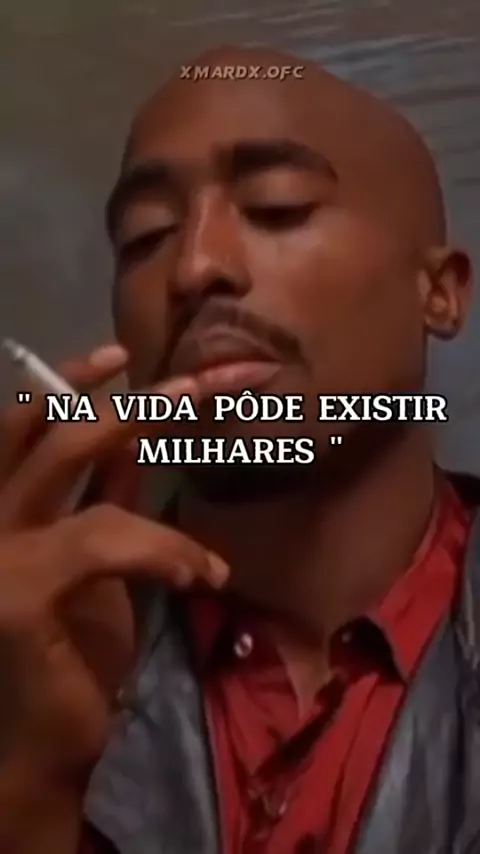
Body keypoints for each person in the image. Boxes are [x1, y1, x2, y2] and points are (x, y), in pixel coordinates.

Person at [0, 44, 478, 854]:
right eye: (147, 237)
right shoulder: (39, 659)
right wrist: (32, 789)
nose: (194, 266)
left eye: (276, 206)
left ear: (438, 291)